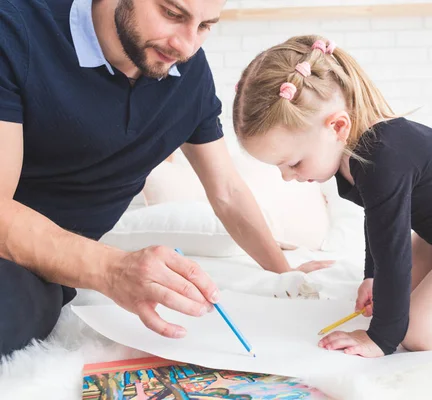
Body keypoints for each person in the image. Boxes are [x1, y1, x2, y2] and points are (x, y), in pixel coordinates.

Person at [0, 0, 331, 357]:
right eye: (172, 14)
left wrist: (285, 273)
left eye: (205, 26)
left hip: (44, 275)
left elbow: (227, 191)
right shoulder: (17, 29)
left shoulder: (188, 76)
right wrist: (113, 269)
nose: (186, 46)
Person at [232, 35, 432, 357]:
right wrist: (371, 276)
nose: (288, 176)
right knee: (397, 298)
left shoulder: (382, 157)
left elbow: (394, 253)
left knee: (419, 334)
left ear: (337, 127)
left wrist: (380, 339)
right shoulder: (358, 155)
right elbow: (380, 226)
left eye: (293, 163)